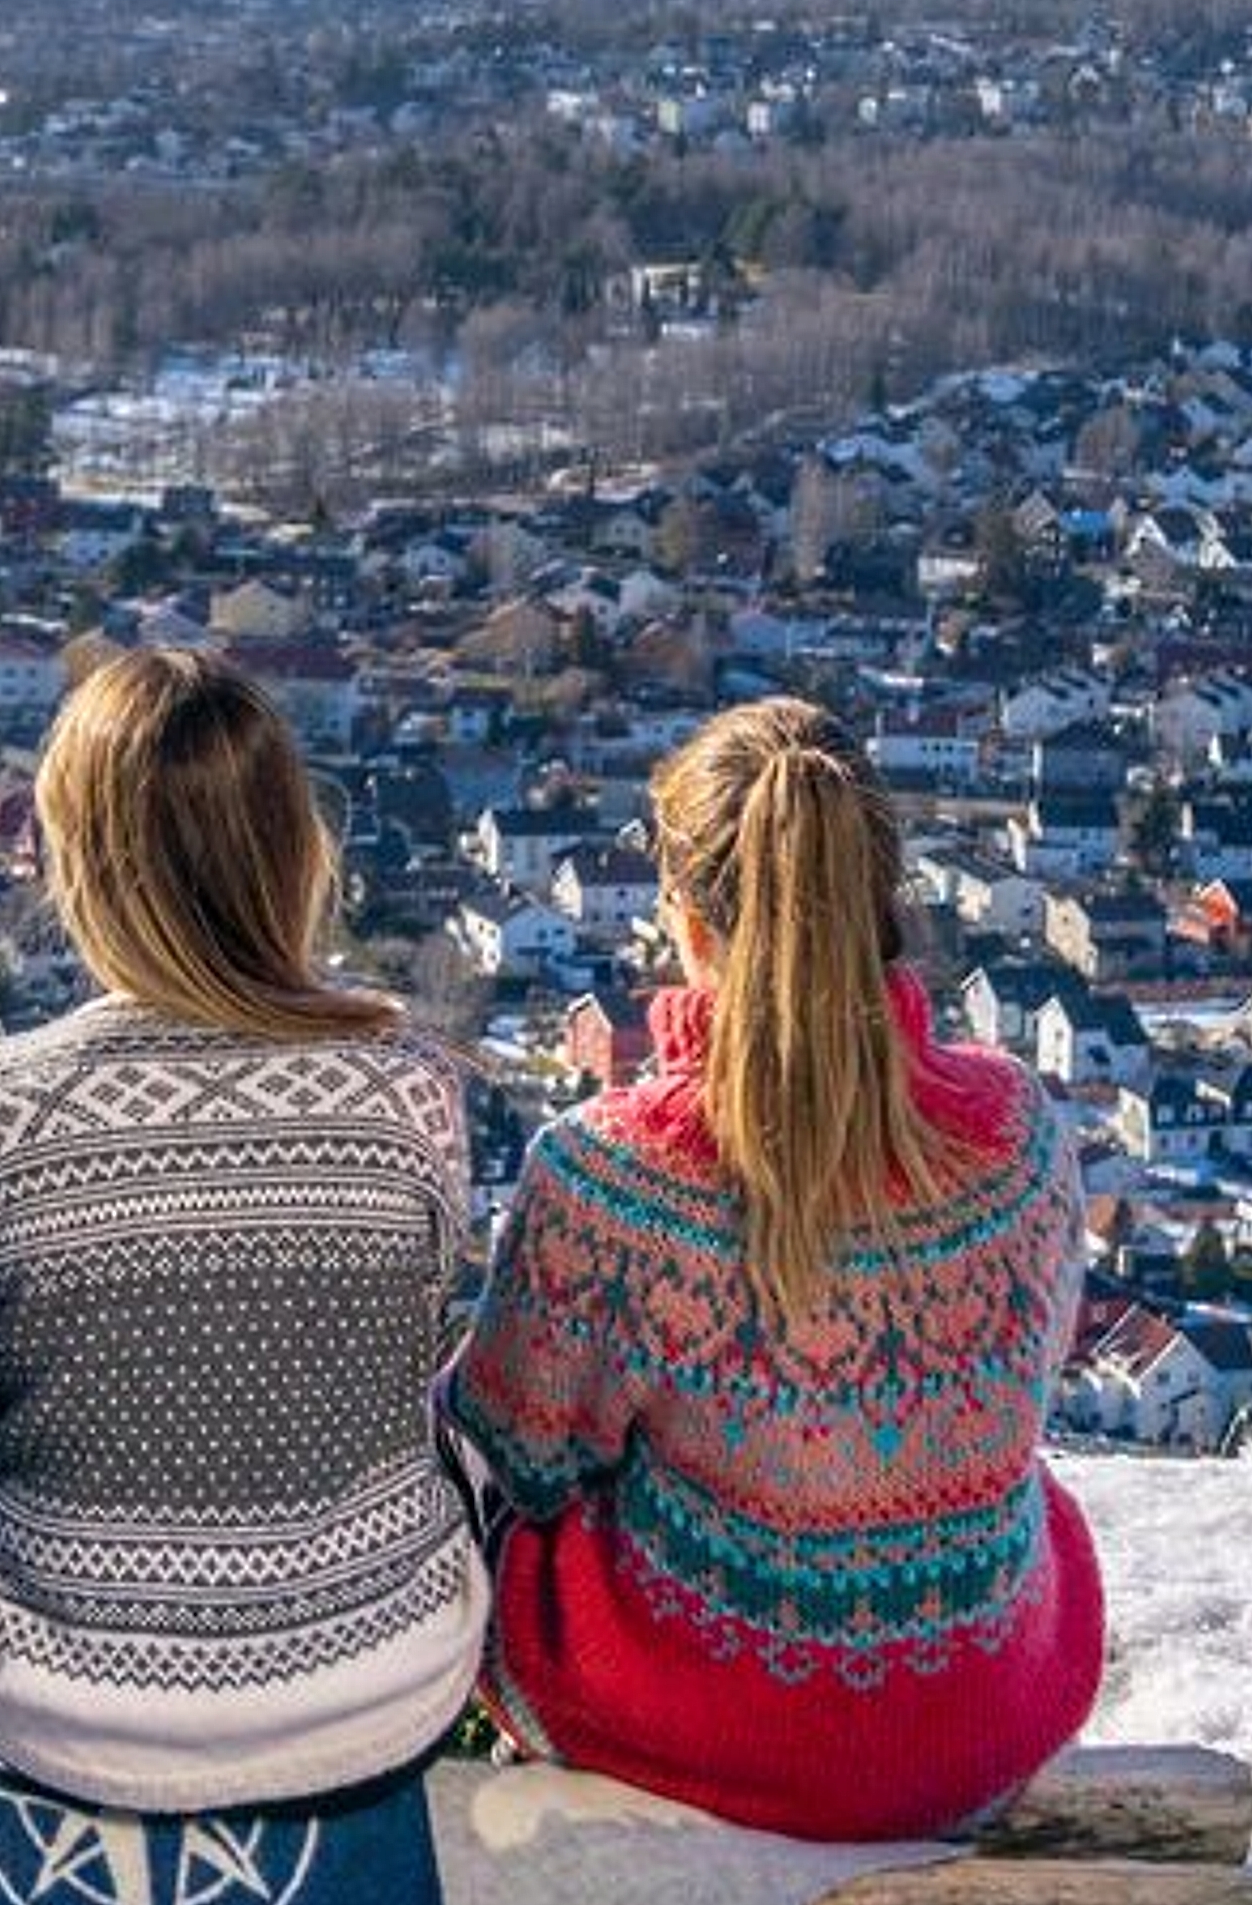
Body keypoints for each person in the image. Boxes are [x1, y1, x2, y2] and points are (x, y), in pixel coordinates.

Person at [446, 698, 1102, 1840]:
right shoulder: (1017, 1135)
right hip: (975, 1711)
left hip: (693, 1729)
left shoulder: (609, 1179)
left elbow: (518, 1449)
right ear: (880, 903)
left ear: (691, 927)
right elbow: (1025, 1388)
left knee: (502, 1532)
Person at [0, 649, 484, 1816]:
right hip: (380, 1694)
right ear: (289, 851)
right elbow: (405, 1344)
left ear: (82, 865)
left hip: (59, 1712)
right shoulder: (408, 1084)